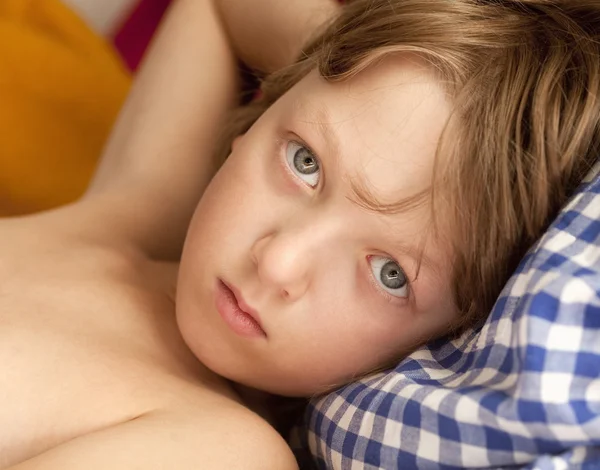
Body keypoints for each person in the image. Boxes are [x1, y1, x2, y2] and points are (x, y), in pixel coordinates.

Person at [1, 0, 598, 468]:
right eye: (305, 162)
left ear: (446, 337)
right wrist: (332, 54)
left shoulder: (219, 448)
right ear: (265, 113)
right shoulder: (138, 218)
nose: (279, 263)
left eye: (389, 273)